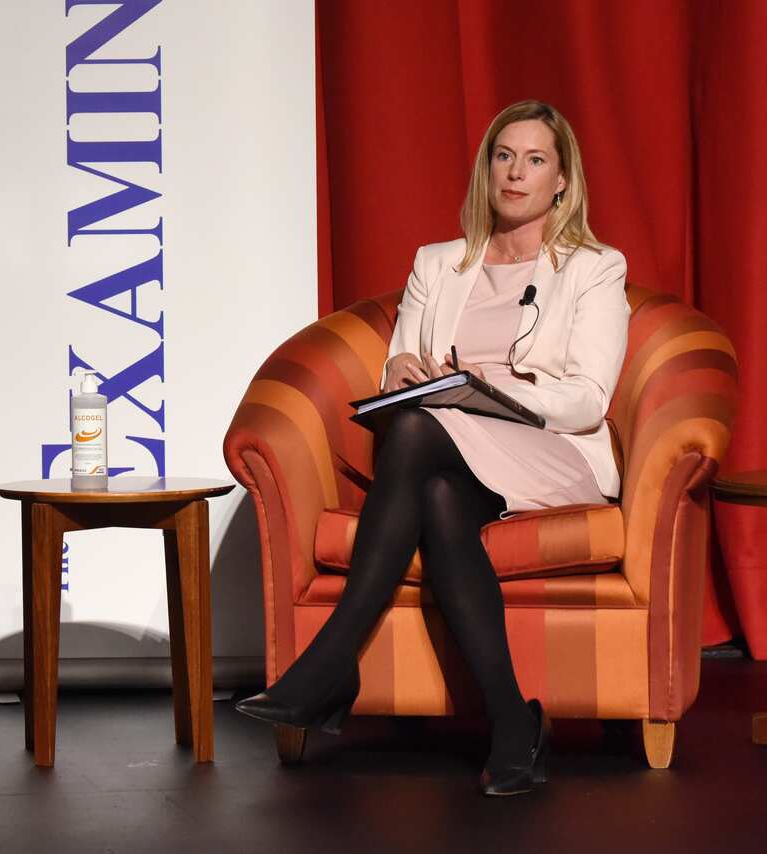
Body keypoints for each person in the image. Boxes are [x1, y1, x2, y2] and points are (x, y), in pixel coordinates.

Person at [235, 100, 629, 796]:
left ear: (562, 180)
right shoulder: (439, 263)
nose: (515, 173)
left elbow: (588, 399)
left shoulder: (594, 269)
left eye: (535, 160)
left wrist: (493, 393)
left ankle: (332, 661)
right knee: (440, 492)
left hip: (548, 449)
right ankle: (514, 722)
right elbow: (400, 361)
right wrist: (401, 374)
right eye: (504, 156)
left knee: (419, 430)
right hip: (455, 449)